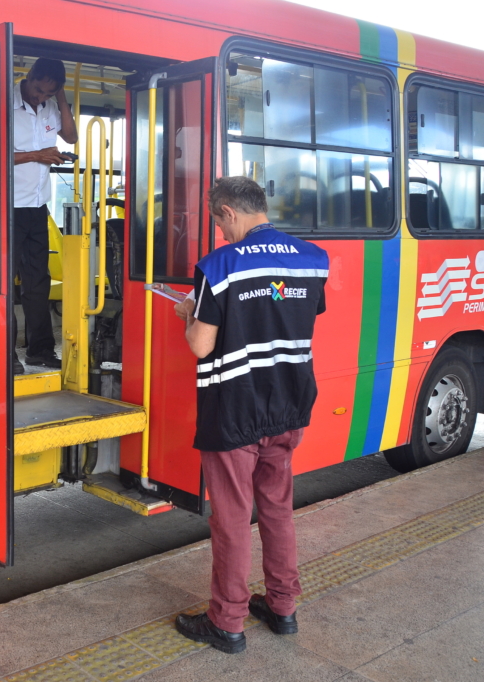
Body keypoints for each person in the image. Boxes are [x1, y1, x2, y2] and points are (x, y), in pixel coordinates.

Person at [172, 176, 329, 654]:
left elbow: (201, 346)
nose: (220, 233)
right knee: (278, 509)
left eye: (219, 223)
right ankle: (282, 608)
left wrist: (189, 314)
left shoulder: (220, 265)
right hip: (289, 404)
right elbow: (291, 317)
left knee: (233, 518)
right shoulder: (312, 259)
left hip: (234, 410)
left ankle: (227, 622)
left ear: (228, 212)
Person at [12, 57, 77, 374]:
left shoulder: (52, 106)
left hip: (37, 207)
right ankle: (5, 354)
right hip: (6, 207)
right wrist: (38, 155)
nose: (40, 98)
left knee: (38, 282)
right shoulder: (2, 103)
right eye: (38, 90)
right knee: (4, 284)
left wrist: (60, 98)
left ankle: (39, 351)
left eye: (48, 93)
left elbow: (71, 136)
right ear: (29, 77)